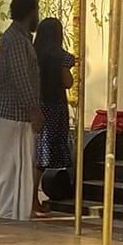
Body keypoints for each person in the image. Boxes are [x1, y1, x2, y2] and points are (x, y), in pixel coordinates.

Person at [0, 0, 42, 221]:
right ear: (30, 12)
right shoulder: (17, 40)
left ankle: (14, 214)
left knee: (16, 168)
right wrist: (34, 109)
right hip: (13, 114)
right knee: (8, 170)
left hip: (15, 115)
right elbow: (21, 77)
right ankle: (6, 214)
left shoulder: (17, 37)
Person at [34, 16, 75, 215]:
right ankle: (34, 199)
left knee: (36, 155)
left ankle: (30, 197)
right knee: (43, 156)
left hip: (36, 105)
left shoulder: (34, 54)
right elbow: (67, 82)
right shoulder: (61, 57)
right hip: (55, 106)